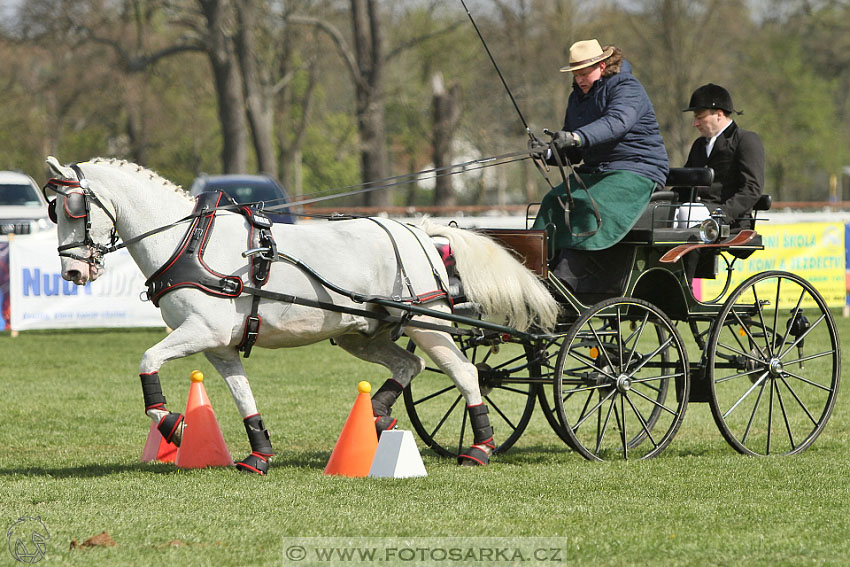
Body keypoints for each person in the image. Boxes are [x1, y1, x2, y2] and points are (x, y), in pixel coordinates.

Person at [532, 39, 669, 258]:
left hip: (636, 168)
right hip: (597, 171)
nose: (579, 80)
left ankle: (575, 267)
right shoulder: (576, 98)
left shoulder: (627, 87)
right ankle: (540, 263)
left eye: (584, 74)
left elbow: (617, 122)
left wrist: (576, 137)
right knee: (552, 200)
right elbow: (574, 151)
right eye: (575, 75)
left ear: (602, 66)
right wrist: (549, 152)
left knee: (588, 203)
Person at [682, 83, 765, 230]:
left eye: (699, 117)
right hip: (694, 215)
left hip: (730, 222)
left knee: (686, 213)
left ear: (719, 115)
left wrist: (721, 215)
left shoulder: (744, 140)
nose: (695, 123)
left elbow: (752, 188)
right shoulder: (699, 145)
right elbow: (685, 184)